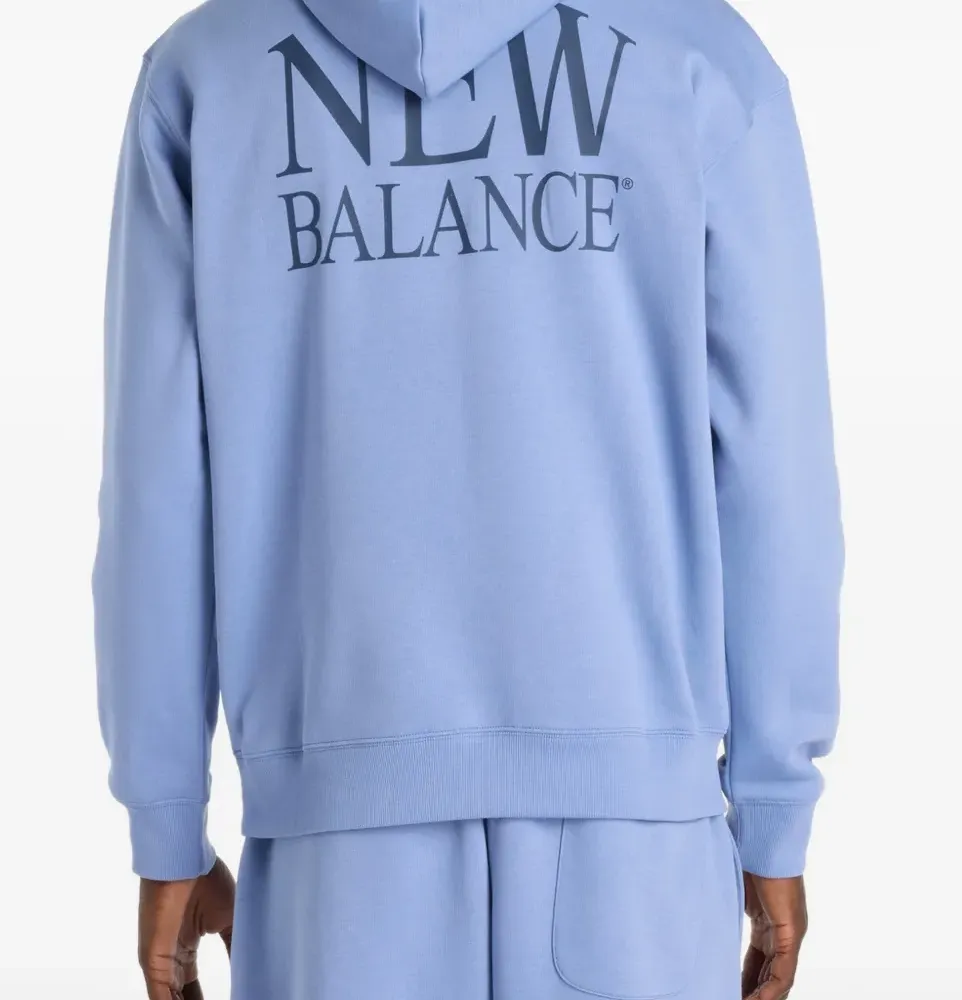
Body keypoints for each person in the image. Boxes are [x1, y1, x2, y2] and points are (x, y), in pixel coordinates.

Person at [94, 0, 843, 997]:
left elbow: (157, 488)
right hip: (637, 856)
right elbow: (776, 466)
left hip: (332, 861)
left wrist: (167, 826)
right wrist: (773, 802)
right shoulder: (699, 55)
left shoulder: (207, 73)